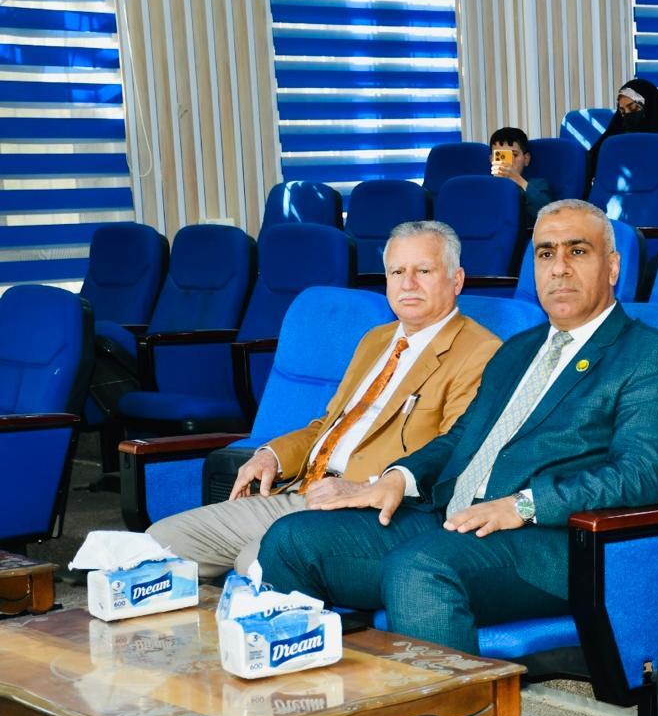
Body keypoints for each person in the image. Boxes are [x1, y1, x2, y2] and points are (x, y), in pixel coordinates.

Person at [257, 199, 658, 716]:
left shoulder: (650, 355)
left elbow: (642, 473)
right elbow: (461, 439)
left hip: (549, 544)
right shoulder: (517, 351)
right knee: (293, 540)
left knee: (421, 568)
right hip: (452, 522)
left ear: (613, 266)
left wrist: (524, 505)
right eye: (545, 253)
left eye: (578, 251)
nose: (559, 268)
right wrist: (396, 478)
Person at [145, 221, 501, 583]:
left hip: (371, 509)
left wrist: (366, 487)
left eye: (423, 271)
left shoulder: (482, 353)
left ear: (456, 280)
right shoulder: (376, 340)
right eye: (397, 272)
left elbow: (456, 455)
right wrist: (273, 455)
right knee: (158, 545)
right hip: (305, 491)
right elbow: (329, 425)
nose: (407, 283)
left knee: (256, 563)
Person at [489, 126, 554, 227]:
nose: (508, 162)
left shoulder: (536, 184)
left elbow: (547, 213)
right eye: (500, 156)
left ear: (526, 159)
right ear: (491, 160)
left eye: (514, 155)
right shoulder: (485, 186)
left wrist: (518, 180)